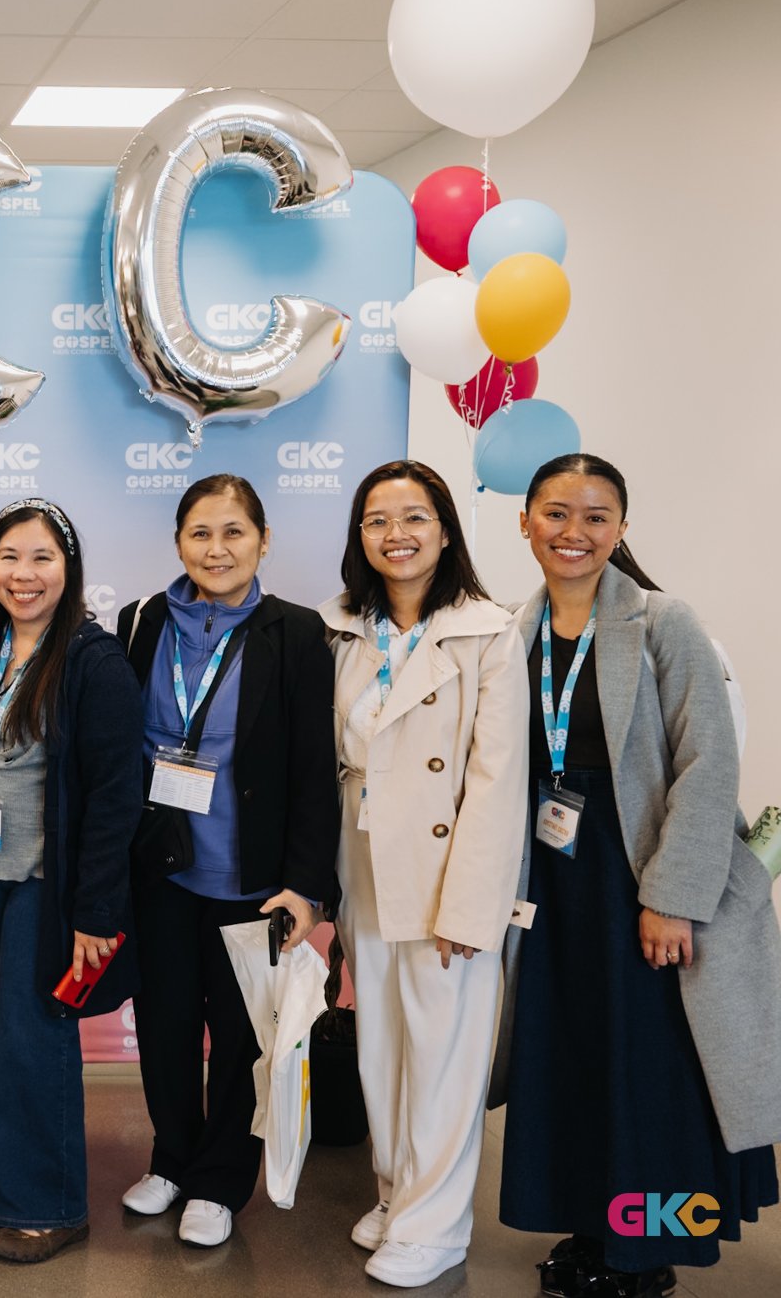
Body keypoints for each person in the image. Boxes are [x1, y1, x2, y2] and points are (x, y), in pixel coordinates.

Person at [497, 453, 777, 1298]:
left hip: (637, 879)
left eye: (595, 516)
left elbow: (708, 764)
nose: (573, 532)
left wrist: (671, 899)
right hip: (555, 881)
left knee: (648, 1070)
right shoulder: (515, 631)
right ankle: (595, 1228)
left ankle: (646, 1252)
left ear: (620, 528)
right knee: (575, 1058)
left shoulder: (662, 622)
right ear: (525, 521)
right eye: (556, 513)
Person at [0, 498, 141, 1265]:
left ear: (68, 568)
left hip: (48, 886)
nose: (24, 574)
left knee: (32, 1039)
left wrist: (96, 911)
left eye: (42, 557)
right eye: (9, 557)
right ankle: (12, 1180)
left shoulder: (93, 662)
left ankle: (51, 1206)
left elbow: (114, 796)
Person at [113, 474, 339, 1248]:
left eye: (234, 532)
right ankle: (171, 1160)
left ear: (263, 541)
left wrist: (306, 885)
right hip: (161, 871)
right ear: (178, 543)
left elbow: (314, 769)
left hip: (253, 878)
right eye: (200, 533)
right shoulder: (142, 620)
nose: (217, 548)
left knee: (242, 1040)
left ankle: (218, 1180)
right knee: (165, 1025)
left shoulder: (297, 632)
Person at [321, 460, 527, 1289]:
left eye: (413, 517)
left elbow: (497, 781)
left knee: (445, 1051)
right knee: (383, 1043)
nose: (395, 534)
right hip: (365, 856)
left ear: (445, 529)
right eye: (377, 519)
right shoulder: (342, 627)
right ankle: (398, 1191)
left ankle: (436, 1225)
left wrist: (470, 905)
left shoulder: (487, 631)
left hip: (447, 867)